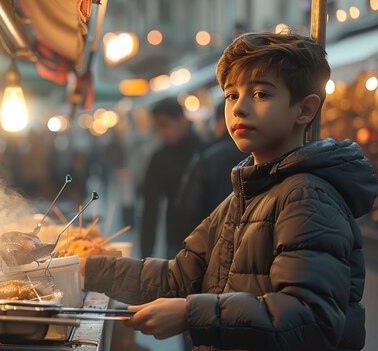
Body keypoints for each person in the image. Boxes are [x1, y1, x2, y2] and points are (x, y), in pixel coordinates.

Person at [81, 32, 377, 350]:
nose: (239, 108)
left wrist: (190, 313)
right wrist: (88, 268)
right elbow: (177, 278)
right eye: (232, 95)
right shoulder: (239, 199)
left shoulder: (307, 196)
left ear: (304, 109)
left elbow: (310, 318)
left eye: (261, 94)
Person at [173, 103, 247, 242]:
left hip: (211, 242)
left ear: (221, 121)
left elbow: (188, 210)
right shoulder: (258, 154)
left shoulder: (208, 158)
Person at [140, 97, 203, 258]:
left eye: (165, 125)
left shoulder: (204, 151)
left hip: (208, 241)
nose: (162, 132)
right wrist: (145, 258)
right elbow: (150, 209)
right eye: (158, 127)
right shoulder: (159, 158)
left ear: (181, 120)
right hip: (176, 244)